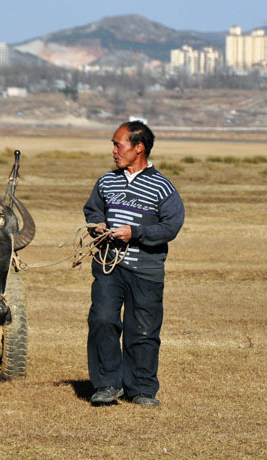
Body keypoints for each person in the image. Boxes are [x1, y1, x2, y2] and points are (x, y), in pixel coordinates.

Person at [83, 121, 185, 407]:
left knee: (143, 329)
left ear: (138, 147)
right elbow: (92, 209)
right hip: (108, 266)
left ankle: (141, 389)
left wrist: (135, 233)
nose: (114, 151)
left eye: (118, 144)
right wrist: (97, 225)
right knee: (102, 321)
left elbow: (171, 226)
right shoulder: (106, 181)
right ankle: (106, 385)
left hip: (146, 270)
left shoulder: (163, 187)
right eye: (114, 145)